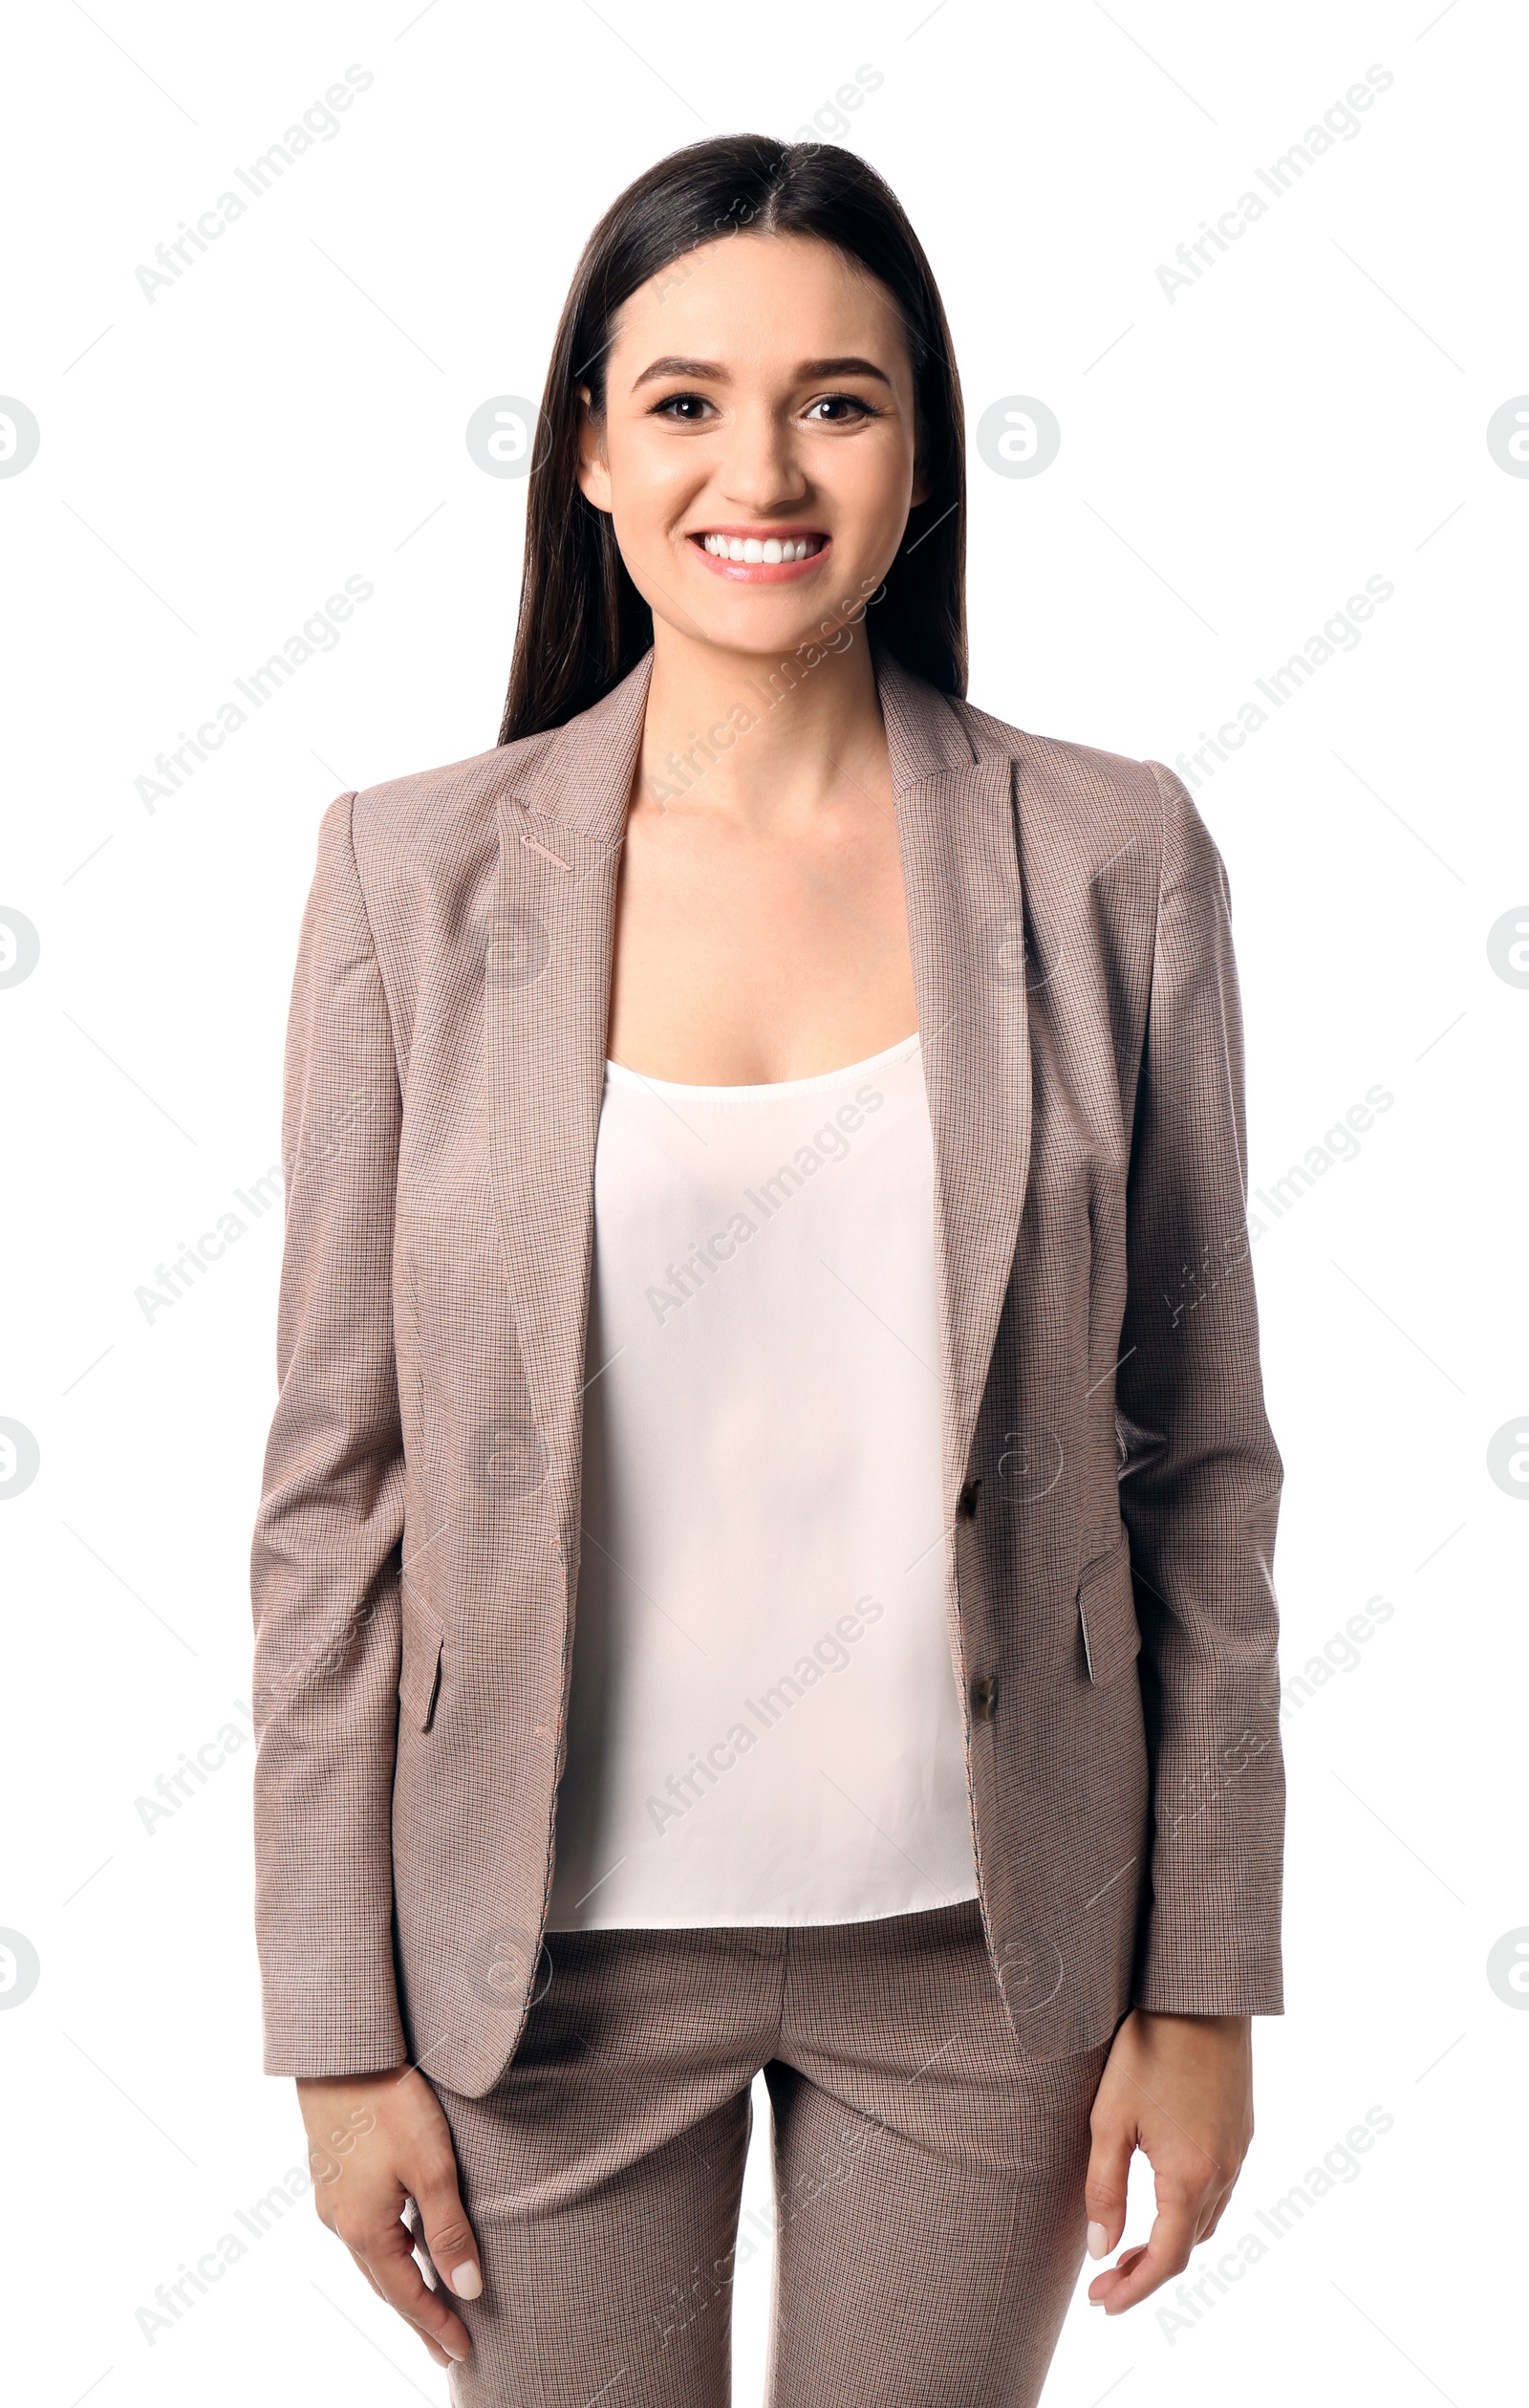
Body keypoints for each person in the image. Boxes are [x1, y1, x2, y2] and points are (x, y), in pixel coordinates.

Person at [249, 134, 1285, 2406]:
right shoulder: (410, 880)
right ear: (593, 453)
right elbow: (338, 1488)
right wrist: (334, 2033)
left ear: (919, 458)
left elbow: (1192, 1461)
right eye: (689, 399)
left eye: (837, 399)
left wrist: (1198, 1982)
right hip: (535, 1977)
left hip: (986, 1955)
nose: (764, 466)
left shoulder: (1112, 859)